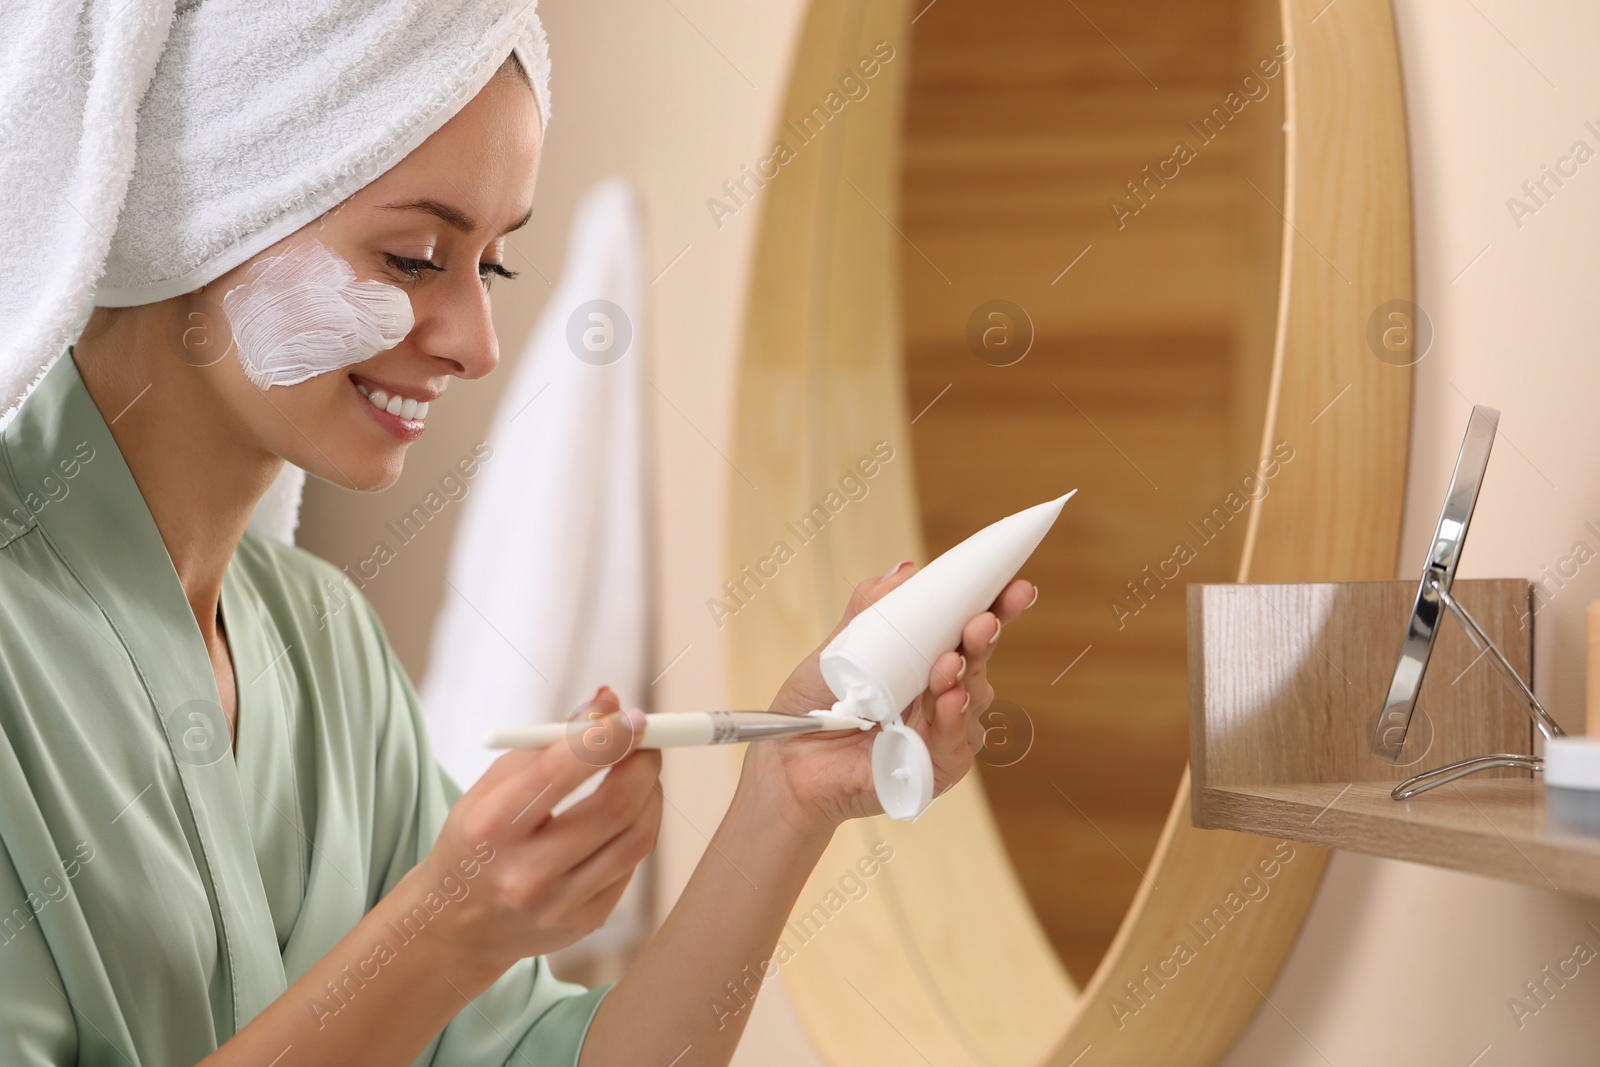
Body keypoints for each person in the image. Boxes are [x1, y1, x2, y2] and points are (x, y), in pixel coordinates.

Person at [0, 4, 1036, 1065]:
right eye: (412, 258)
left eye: (490, 266)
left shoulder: (322, 645)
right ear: (206, 205)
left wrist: (786, 796)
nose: (478, 343)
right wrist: (446, 932)